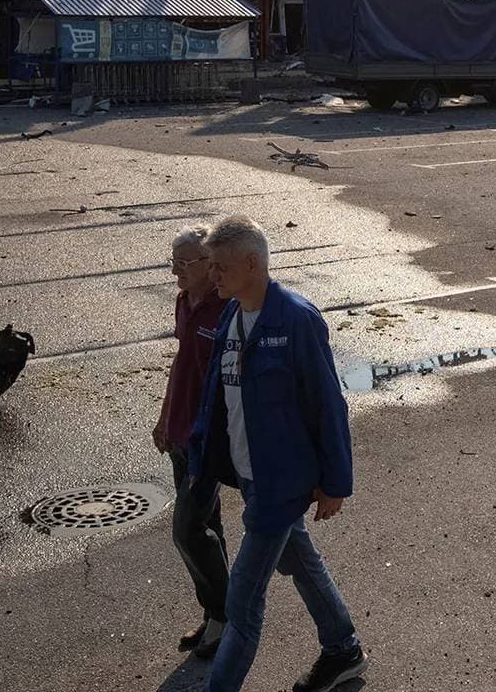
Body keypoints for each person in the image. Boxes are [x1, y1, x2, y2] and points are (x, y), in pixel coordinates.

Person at [189, 215, 366, 692]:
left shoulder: (297, 320)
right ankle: (343, 650)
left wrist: (335, 484)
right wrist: (201, 451)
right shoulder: (231, 314)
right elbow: (218, 394)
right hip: (252, 476)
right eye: (211, 267)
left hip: (280, 484)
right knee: (300, 562)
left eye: (221, 267)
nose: (214, 276)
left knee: (242, 605)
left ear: (253, 264)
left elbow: (328, 405)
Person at [155, 225, 230, 660]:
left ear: (209, 265)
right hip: (180, 433)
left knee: (186, 527)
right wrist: (164, 418)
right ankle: (213, 615)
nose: (176, 272)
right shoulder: (185, 302)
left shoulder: (226, 310)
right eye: (173, 262)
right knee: (208, 527)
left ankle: (227, 615)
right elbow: (181, 365)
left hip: (207, 440)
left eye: (185, 264)